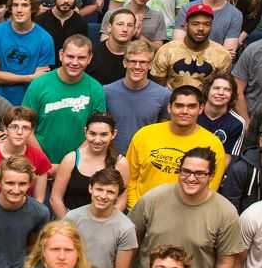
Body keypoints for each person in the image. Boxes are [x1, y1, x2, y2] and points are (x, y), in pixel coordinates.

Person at [129, 146, 248, 268]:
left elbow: (226, 263)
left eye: (200, 173)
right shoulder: (153, 199)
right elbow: (131, 241)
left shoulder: (225, 212)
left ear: (211, 176)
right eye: (186, 171)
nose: (191, 178)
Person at [124, 84, 228, 208]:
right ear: (169, 108)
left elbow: (210, 189)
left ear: (201, 109)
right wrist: (136, 209)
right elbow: (129, 179)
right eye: (179, 106)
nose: (185, 111)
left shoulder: (213, 144)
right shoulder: (144, 135)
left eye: (191, 106)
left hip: (188, 216)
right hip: (144, 212)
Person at [22, 36, 109, 164]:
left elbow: (96, 132)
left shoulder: (95, 88)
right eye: (70, 56)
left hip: (78, 164)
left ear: (90, 59)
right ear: (61, 55)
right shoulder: (39, 84)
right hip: (38, 163)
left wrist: (71, 163)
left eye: (81, 58)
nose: (74, 62)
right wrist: (44, 163)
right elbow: (25, 127)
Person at [62, 168, 138, 268]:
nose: (103, 196)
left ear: (117, 195)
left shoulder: (126, 227)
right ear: (90, 189)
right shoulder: (72, 218)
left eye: (110, 192)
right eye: (99, 189)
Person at [101, 40, 170, 146]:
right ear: (125, 63)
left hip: (146, 157)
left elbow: (163, 132)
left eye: (143, 62)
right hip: (112, 157)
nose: (137, 66)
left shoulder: (164, 95)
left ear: (150, 65)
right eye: (133, 61)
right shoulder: (106, 92)